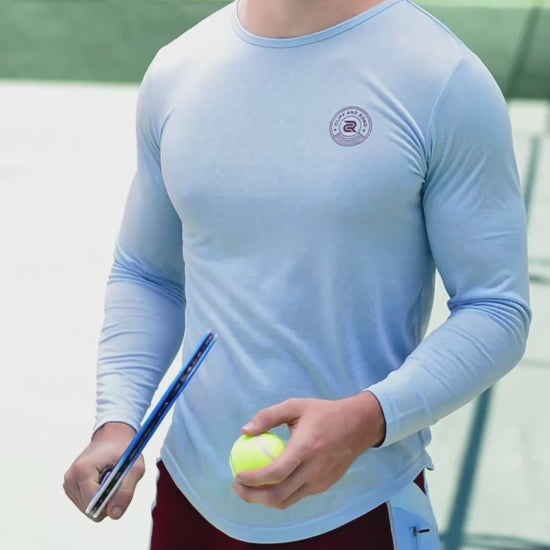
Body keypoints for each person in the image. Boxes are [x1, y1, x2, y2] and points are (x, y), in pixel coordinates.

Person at [63, 0, 531, 547]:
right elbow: (148, 273)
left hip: (360, 507)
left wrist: (368, 419)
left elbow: (495, 308)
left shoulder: (443, 78)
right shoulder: (178, 69)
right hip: (191, 501)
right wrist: (117, 420)